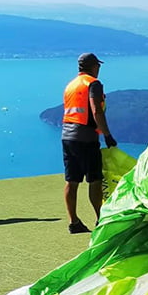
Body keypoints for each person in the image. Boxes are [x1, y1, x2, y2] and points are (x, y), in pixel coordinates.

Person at [61, 52, 117, 234]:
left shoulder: (70, 85)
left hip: (67, 136)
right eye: (98, 66)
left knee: (72, 180)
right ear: (94, 66)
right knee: (95, 180)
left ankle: (73, 221)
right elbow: (96, 111)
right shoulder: (93, 83)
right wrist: (107, 135)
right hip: (86, 138)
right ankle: (101, 219)